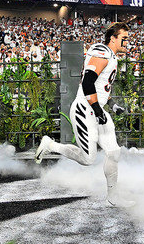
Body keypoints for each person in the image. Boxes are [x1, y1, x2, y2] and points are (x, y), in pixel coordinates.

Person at [35, 22, 132, 207]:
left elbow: (101, 86)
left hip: (96, 108)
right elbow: (88, 83)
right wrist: (97, 110)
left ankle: (113, 197)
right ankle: (50, 145)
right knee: (88, 159)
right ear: (113, 38)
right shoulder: (102, 52)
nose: (127, 42)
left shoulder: (110, 55)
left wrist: (111, 105)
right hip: (85, 109)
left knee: (113, 152)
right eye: (124, 38)